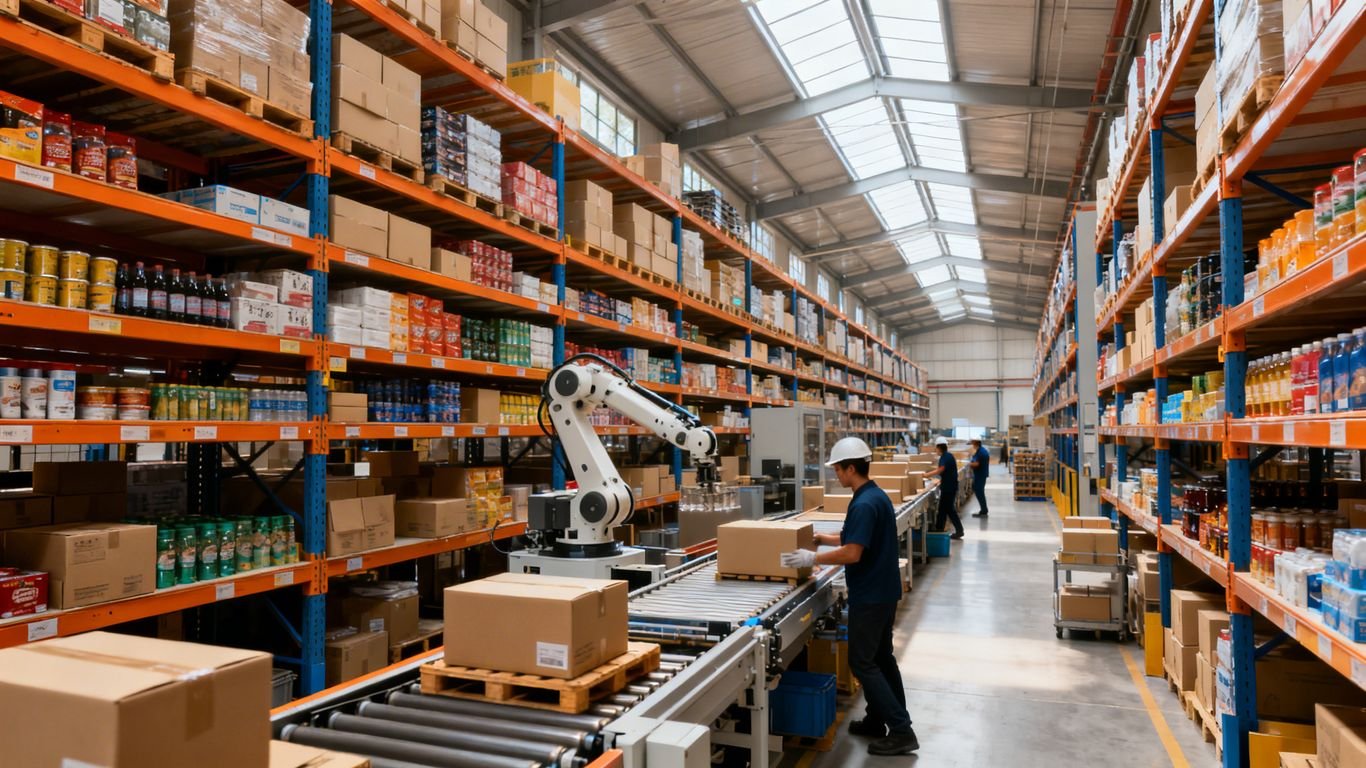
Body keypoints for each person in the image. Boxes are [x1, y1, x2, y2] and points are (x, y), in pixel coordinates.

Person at [780, 437, 918, 756]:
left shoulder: (865, 502)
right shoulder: (872, 495)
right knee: (882, 658)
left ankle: (901, 730)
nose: (836, 475)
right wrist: (820, 539)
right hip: (883, 590)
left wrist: (810, 559)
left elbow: (854, 552)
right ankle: (877, 719)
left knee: (863, 661)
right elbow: (851, 536)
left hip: (870, 595)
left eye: (838, 469)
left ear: (851, 468)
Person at [924, 436, 964, 539]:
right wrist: (940, 480)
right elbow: (948, 472)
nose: (935, 450)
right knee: (942, 509)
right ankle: (939, 528)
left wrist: (926, 475)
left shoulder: (945, 457)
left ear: (939, 447)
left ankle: (959, 531)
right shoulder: (948, 456)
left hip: (949, 488)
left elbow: (940, 469)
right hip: (949, 486)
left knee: (949, 510)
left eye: (936, 448)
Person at [969, 438, 990, 518]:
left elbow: (976, 464)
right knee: (977, 490)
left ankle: (984, 510)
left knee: (979, 492)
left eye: (972, 442)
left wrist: (968, 464)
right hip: (979, 474)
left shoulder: (981, 452)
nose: (972, 444)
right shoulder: (980, 450)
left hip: (980, 475)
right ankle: (983, 509)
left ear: (975, 443)